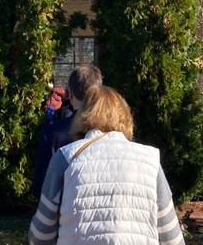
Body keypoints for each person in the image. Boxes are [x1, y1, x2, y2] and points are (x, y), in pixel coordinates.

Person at [29, 85, 184, 245]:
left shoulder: (66, 158)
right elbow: (171, 236)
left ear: (83, 116)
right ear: (125, 117)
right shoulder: (150, 160)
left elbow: (41, 234)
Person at [31, 64, 102, 197]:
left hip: (67, 210)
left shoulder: (52, 134)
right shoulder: (115, 131)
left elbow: (41, 186)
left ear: (70, 94)